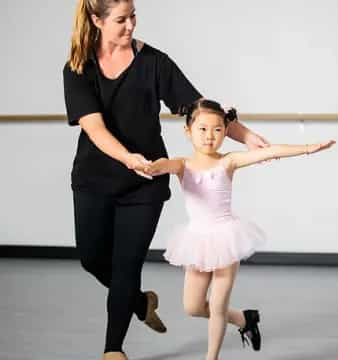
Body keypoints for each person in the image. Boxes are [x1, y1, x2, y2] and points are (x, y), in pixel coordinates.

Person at [62, 1, 269, 359]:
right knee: (93, 258)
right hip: (94, 179)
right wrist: (127, 157)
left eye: (133, 16)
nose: (131, 26)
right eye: (121, 20)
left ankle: (113, 349)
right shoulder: (78, 67)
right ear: (96, 20)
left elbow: (200, 108)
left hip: (147, 181)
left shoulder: (154, 62)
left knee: (127, 265)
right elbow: (93, 127)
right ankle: (140, 302)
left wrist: (247, 136)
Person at [144, 99, 336, 360]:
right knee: (192, 307)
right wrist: (149, 167)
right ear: (188, 131)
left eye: (217, 130)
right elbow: (163, 165)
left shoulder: (229, 161)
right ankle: (245, 319)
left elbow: (269, 152)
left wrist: (308, 148)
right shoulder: (182, 165)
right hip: (197, 240)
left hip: (226, 238)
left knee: (219, 305)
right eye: (202, 129)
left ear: (226, 131)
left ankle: (211, 358)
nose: (210, 136)